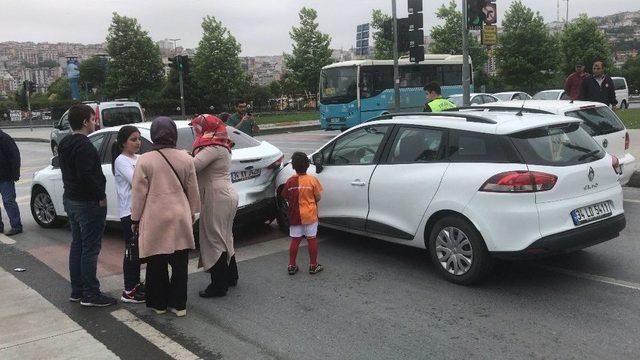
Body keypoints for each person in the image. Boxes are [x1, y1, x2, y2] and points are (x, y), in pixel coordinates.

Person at [131, 117, 200, 317]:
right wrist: (193, 212)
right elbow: (193, 190)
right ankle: (179, 305)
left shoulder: (145, 160)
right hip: (179, 214)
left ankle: (159, 304)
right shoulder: (186, 158)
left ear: (153, 135)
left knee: (156, 263)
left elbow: (138, 193)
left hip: (155, 216)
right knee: (180, 263)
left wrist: (135, 219)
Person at [58, 104, 115, 307]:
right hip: (87, 202)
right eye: (92, 119)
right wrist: (100, 195)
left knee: (78, 245)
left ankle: (78, 290)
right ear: (84, 122)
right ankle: (91, 294)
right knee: (90, 249)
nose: (95, 123)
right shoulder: (84, 146)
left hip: (71, 199)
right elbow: (86, 175)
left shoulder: (64, 144)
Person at [189, 114, 239, 298]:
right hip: (225, 194)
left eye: (197, 128)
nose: (195, 131)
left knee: (214, 239)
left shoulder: (212, 147)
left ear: (206, 128)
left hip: (215, 196)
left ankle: (218, 286)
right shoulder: (221, 144)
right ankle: (231, 276)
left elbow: (192, 166)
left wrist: (178, 157)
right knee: (226, 236)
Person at [111, 125, 145, 304]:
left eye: (139, 139)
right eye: (133, 139)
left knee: (139, 252)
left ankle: (136, 285)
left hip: (141, 211)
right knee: (132, 252)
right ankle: (129, 290)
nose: (137, 142)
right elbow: (137, 181)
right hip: (129, 213)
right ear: (123, 143)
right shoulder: (121, 160)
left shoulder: (139, 158)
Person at [281, 152, 323, 275]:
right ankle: (313, 265)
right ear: (308, 165)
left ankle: (292, 265)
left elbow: (285, 197)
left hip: (295, 215)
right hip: (310, 215)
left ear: (293, 166)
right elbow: (318, 197)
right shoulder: (312, 180)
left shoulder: (289, 182)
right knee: (311, 239)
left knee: (295, 240)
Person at [0, 129, 23, 236]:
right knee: (9, 201)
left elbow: (15, 157)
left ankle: (16, 226)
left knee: (8, 201)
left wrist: (15, 174)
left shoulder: (5, 138)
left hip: (5, 177)